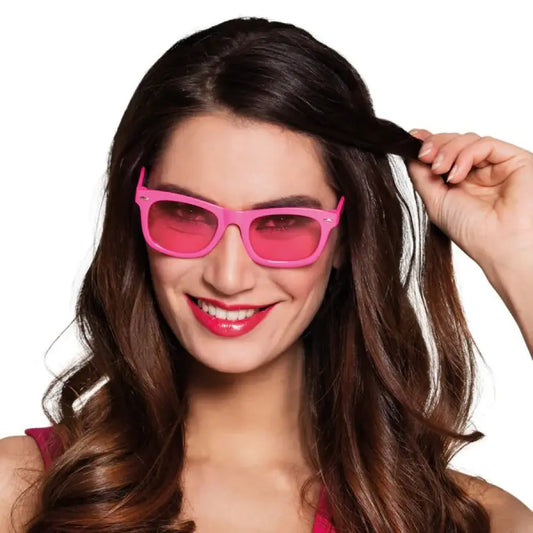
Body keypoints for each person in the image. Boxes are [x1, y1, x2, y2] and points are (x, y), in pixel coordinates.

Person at [1, 15, 532, 532]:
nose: (229, 276)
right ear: (136, 216)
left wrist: (519, 254)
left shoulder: (465, 519)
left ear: (345, 238)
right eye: (186, 214)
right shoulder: (20, 489)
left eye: (282, 223)